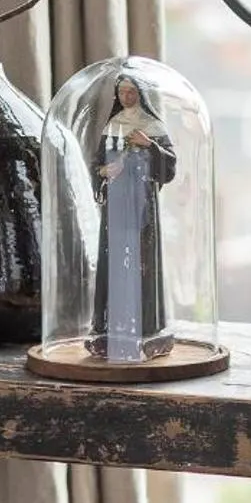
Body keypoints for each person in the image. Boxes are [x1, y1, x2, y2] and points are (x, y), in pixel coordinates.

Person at [88, 70, 176, 360]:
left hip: (142, 204)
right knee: (113, 257)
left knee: (143, 260)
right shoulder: (113, 124)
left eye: (131, 91)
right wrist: (105, 171)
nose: (126, 97)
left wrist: (149, 145)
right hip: (115, 204)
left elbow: (169, 167)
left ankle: (147, 327)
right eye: (122, 92)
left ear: (140, 94)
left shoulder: (152, 125)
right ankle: (109, 326)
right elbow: (96, 165)